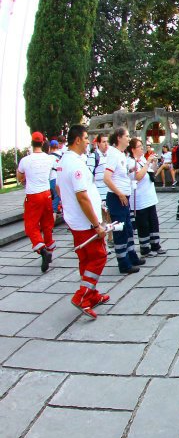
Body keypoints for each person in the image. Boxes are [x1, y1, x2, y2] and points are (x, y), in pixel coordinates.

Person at [57, 124, 109, 319]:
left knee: (86, 259)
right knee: (98, 257)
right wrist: (96, 224)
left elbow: (60, 190)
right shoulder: (76, 164)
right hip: (85, 223)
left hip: (76, 221)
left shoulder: (64, 161)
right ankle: (82, 296)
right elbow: (82, 196)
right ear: (77, 140)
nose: (88, 142)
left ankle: (92, 294)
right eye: (86, 138)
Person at [103, 128, 143, 274]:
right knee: (120, 231)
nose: (128, 138)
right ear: (119, 138)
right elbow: (107, 178)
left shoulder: (121, 154)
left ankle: (131, 256)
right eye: (126, 136)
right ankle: (123, 263)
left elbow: (120, 175)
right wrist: (119, 193)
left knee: (128, 229)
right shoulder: (113, 154)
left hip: (124, 197)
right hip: (117, 198)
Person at [17, 132, 56, 272]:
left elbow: (20, 177)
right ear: (43, 142)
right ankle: (50, 248)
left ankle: (41, 249)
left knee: (31, 225)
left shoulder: (25, 160)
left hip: (33, 195)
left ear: (32, 143)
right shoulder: (49, 159)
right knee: (47, 223)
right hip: (46, 194)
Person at [129, 139, 166, 257]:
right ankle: (145, 248)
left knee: (153, 222)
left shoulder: (143, 159)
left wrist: (153, 163)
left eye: (142, 146)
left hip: (149, 197)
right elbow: (138, 176)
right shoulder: (131, 162)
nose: (142, 148)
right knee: (143, 224)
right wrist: (146, 164)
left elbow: (152, 173)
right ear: (132, 149)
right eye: (139, 146)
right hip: (139, 199)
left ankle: (155, 244)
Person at [48, 138, 64, 217]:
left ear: (50, 147)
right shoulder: (62, 155)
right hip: (62, 179)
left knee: (53, 206)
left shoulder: (49, 157)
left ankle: (50, 227)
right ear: (58, 146)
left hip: (53, 179)